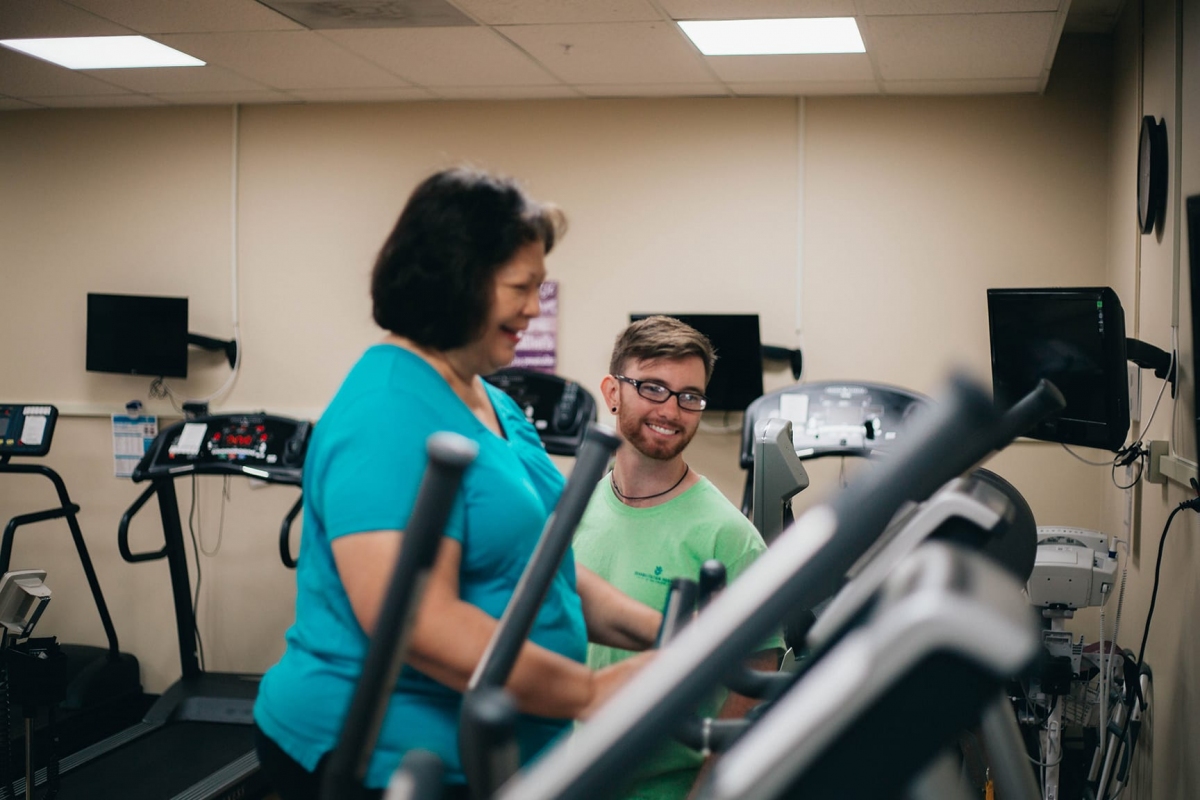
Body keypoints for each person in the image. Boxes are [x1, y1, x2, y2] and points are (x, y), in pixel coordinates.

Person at [253, 167, 661, 800]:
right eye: (520, 288)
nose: (534, 308)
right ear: (457, 280)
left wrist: (663, 632)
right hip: (378, 761)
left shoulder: (491, 403)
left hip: (493, 756)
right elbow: (417, 621)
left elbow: (542, 571)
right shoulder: (387, 410)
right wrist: (588, 692)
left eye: (539, 288)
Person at [572, 316, 785, 800]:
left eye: (690, 396)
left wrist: (707, 790)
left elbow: (752, 679)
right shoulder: (574, 507)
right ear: (612, 391)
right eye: (653, 388)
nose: (671, 409)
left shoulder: (729, 537)